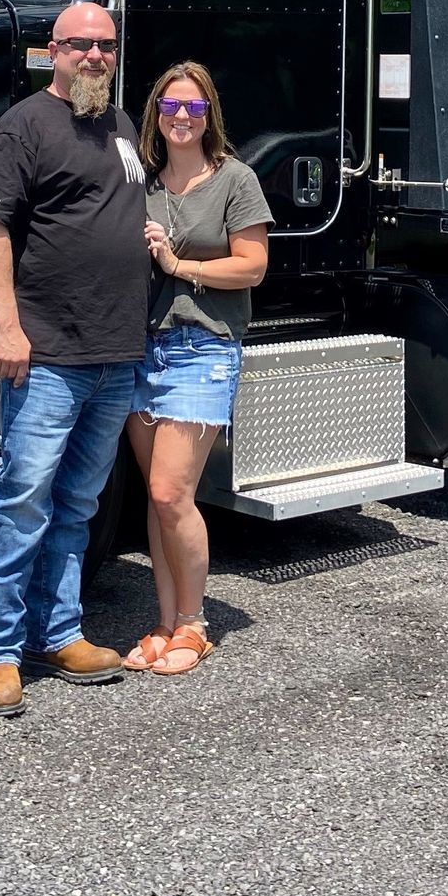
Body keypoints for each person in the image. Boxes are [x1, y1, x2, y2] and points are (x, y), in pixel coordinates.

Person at [0, 0, 149, 719]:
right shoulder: (24, 127)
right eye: (81, 45)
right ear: (54, 50)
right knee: (21, 502)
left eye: (105, 45)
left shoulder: (123, 125)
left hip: (115, 352)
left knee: (76, 506)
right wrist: (6, 327)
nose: (95, 56)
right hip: (47, 353)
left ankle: (59, 633)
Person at [123, 62, 270, 677]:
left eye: (194, 108)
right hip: (143, 349)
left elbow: (253, 267)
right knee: (156, 501)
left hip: (203, 348)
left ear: (209, 116)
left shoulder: (235, 179)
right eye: (171, 107)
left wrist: (179, 265)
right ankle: (163, 622)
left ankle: (194, 624)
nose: (182, 118)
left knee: (170, 492)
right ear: (156, 113)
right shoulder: (143, 184)